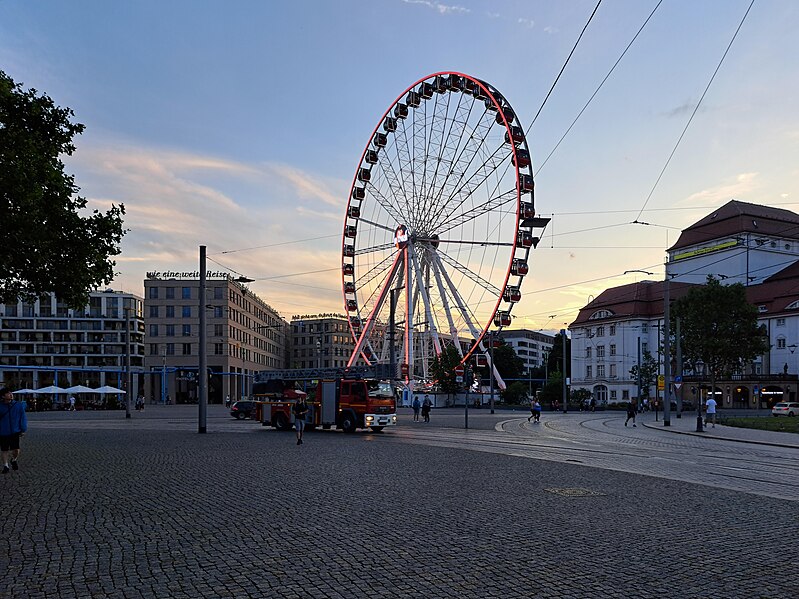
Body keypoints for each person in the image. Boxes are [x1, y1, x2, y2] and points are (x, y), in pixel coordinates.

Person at [0, 387, 28, 474]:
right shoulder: (0, 406)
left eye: (11, 393)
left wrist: (23, 429)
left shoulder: (18, 405)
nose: (11, 395)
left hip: (15, 431)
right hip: (3, 431)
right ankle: (6, 466)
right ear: (3, 396)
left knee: (16, 449)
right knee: (4, 450)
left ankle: (14, 459)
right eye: (8, 393)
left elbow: (23, 418)